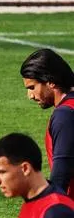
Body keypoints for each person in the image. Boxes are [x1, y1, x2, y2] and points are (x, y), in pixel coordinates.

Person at [21, 48, 74, 195]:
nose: (30, 95)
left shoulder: (65, 115)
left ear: (50, 81)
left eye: (32, 87)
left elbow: (61, 174)